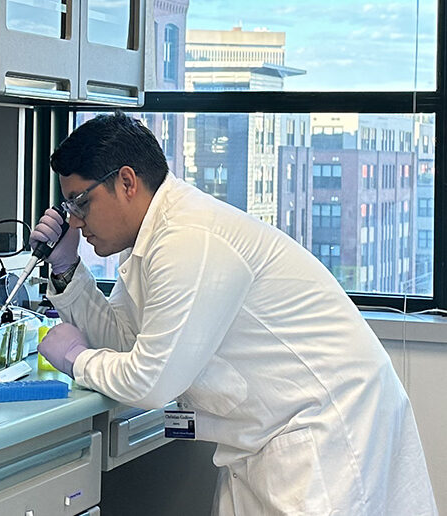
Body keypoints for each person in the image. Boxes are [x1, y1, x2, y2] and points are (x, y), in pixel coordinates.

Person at [30, 112, 437, 515]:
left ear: (126, 182)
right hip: (267, 438)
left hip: (322, 436)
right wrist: (68, 270)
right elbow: (126, 341)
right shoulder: (153, 241)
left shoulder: (188, 240)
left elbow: (150, 383)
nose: (76, 220)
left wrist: (76, 359)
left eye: (81, 202)